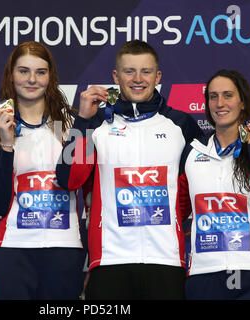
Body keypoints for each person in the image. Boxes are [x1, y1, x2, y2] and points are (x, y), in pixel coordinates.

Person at [56, 40, 202, 299]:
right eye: (129, 71)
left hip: (166, 259)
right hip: (110, 261)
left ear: (158, 76)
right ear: (115, 76)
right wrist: (83, 121)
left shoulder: (181, 124)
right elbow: (68, 179)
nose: (138, 79)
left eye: (146, 71)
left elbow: (204, 181)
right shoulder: (97, 122)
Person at [0, 41, 85, 300]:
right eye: (23, 71)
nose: (32, 79)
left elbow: (82, 180)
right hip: (13, 249)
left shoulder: (71, 124)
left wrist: (84, 127)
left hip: (65, 249)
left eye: (41, 72)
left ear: (51, 77)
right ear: (10, 75)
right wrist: (7, 144)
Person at [176, 69, 250, 299]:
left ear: (242, 102)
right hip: (203, 273)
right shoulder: (192, 151)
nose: (220, 103)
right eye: (213, 96)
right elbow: (179, 211)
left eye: (228, 95)